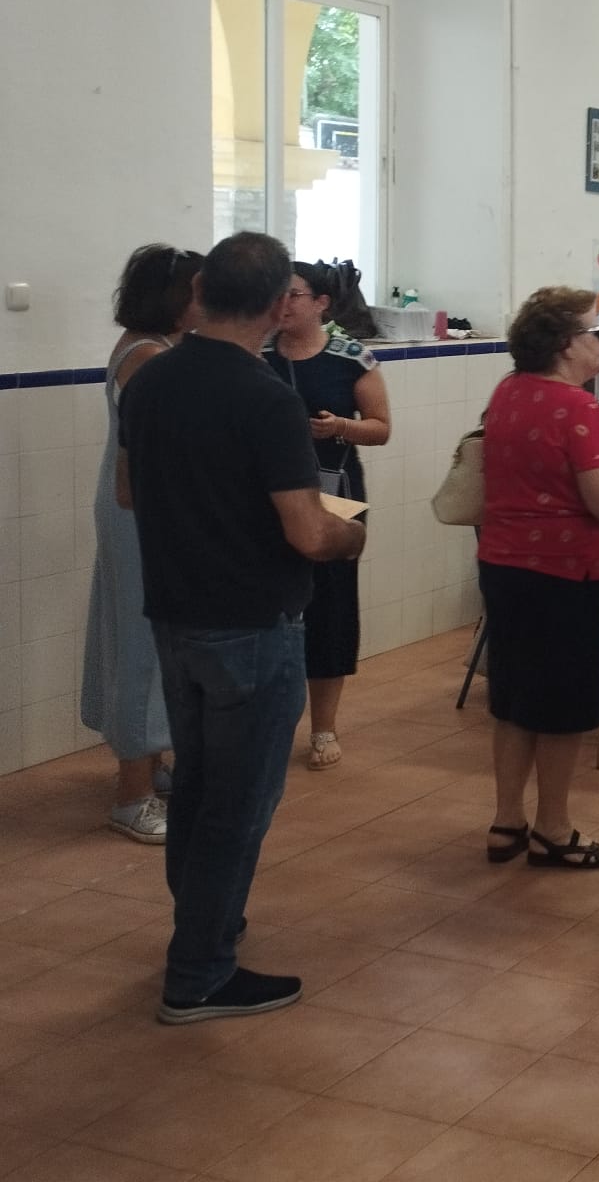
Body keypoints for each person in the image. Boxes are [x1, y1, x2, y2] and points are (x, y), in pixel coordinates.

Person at [120, 231, 367, 1023]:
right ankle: (198, 973)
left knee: (197, 785)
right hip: (252, 624)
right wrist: (350, 534)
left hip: (176, 614)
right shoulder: (266, 398)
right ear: (270, 306)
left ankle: (205, 924)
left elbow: (131, 492)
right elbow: (304, 530)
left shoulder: (152, 377)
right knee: (240, 803)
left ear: (202, 294)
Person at [476, 286, 599, 872]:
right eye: (594, 332)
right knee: (562, 706)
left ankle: (507, 819)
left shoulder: (507, 392)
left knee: (512, 698)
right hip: (564, 572)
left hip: (503, 563)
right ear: (567, 345)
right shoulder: (580, 410)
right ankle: (554, 829)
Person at [84, 244, 200, 843]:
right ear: (174, 299)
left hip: (136, 509)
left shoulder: (146, 345)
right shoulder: (148, 357)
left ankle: (152, 769)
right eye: (196, 293)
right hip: (141, 514)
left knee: (150, 638)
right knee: (142, 643)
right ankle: (132, 793)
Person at [263, 261, 390, 771]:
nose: (284, 305)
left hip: (336, 491)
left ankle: (324, 727)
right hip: (268, 499)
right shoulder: (256, 355)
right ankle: (271, 721)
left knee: (330, 608)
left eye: (294, 295)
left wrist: (340, 426)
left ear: (321, 303)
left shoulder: (351, 359)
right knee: (273, 607)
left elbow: (381, 429)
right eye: (277, 295)